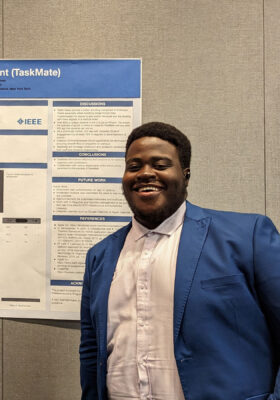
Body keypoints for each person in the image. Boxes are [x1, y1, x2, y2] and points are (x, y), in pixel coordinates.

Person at [79, 122, 280, 399]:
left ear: (185, 175)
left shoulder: (247, 236)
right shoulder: (99, 256)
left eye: (160, 164)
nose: (145, 173)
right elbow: (92, 349)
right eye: (134, 166)